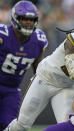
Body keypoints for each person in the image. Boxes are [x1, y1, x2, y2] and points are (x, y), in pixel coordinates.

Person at [0, 1, 48, 130]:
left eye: (31, 19)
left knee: (9, 125)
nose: (28, 22)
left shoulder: (39, 40)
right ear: (15, 19)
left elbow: (38, 71)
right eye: (24, 19)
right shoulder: (3, 35)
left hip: (12, 90)